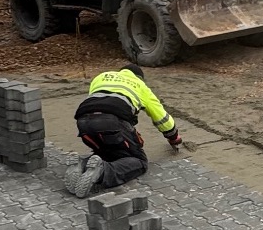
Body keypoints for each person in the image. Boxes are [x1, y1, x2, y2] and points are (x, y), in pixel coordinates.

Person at [68, 64, 184, 196]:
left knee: (109, 152)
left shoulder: (102, 77)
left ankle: (82, 164)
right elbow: (161, 117)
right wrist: (173, 137)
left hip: (83, 122)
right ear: (139, 77)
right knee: (138, 161)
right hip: (112, 122)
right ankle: (102, 172)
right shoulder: (140, 85)